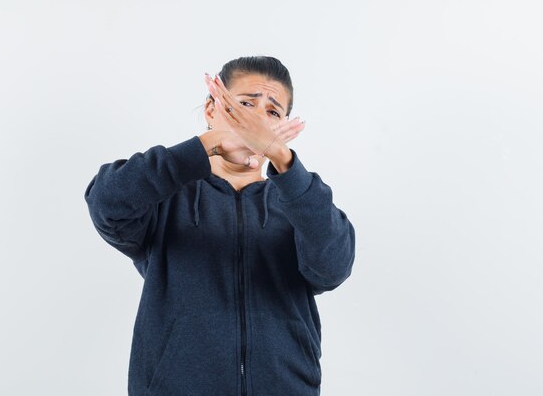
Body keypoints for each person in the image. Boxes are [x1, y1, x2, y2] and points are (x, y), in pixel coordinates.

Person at [84, 56, 356, 396]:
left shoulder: (299, 202)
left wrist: (285, 163)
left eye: (272, 112)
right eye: (244, 105)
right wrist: (206, 146)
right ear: (212, 109)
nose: (256, 120)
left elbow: (333, 267)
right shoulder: (167, 197)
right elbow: (106, 202)